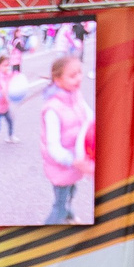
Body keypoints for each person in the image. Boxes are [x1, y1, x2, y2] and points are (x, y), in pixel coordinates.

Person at [37, 56, 94, 225]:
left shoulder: (75, 95)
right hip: (62, 166)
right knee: (59, 206)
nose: (78, 78)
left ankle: (69, 215)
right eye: (72, 75)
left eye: (79, 72)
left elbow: (90, 119)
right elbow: (52, 147)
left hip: (74, 163)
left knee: (72, 189)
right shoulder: (52, 109)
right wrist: (75, 162)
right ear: (58, 79)